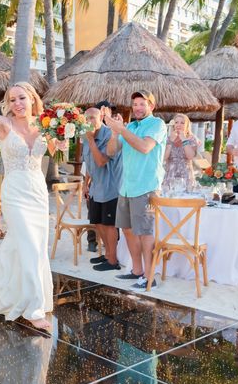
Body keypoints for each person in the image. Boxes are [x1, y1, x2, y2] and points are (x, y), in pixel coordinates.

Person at [0, 77, 68, 330]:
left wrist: (63, 141)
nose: (18, 103)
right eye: (12, 99)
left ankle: (17, 294)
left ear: (32, 98)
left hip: (38, 191)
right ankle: (33, 309)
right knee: (29, 244)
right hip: (15, 191)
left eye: (22, 98)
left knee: (33, 246)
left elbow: (54, 151)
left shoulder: (45, 125)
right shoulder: (4, 124)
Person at [105, 90, 167, 291]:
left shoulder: (157, 124)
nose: (138, 108)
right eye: (135, 104)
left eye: (142, 104)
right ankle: (137, 271)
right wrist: (115, 132)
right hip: (126, 187)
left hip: (146, 187)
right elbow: (111, 151)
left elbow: (144, 147)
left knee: (145, 233)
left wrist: (121, 130)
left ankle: (150, 278)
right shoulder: (130, 126)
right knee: (128, 231)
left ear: (151, 106)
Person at [82, 107, 123, 272]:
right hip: (96, 187)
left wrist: (91, 141)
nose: (89, 122)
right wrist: (86, 183)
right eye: (86, 119)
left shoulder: (109, 136)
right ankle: (107, 255)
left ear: (102, 118)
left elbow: (100, 161)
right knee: (97, 222)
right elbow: (88, 162)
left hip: (111, 187)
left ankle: (113, 260)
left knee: (109, 224)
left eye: (92, 118)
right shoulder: (86, 136)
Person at [162, 113, 199, 191]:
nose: (179, 125)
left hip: (186, 175)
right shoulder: (168, 138)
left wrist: (184, 139)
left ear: (187, 125)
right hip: (170, 175)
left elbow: (190, 156)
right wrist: (171, 141)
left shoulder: (192, 139)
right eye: (176, 122)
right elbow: (164, 158)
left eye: (182, 123)